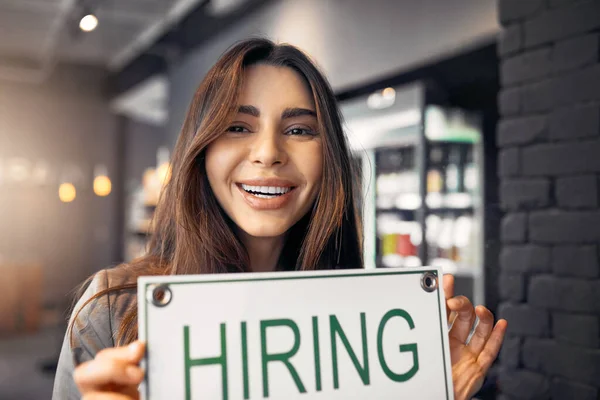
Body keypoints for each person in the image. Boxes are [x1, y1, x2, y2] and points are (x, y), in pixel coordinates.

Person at [52, 38, 507, 400]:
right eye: (238, 126)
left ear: (327, 156)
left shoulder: (370, 322)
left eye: (299, 130)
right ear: (202, 149)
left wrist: (422, 391)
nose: (269, 153)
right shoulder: (113, 310)